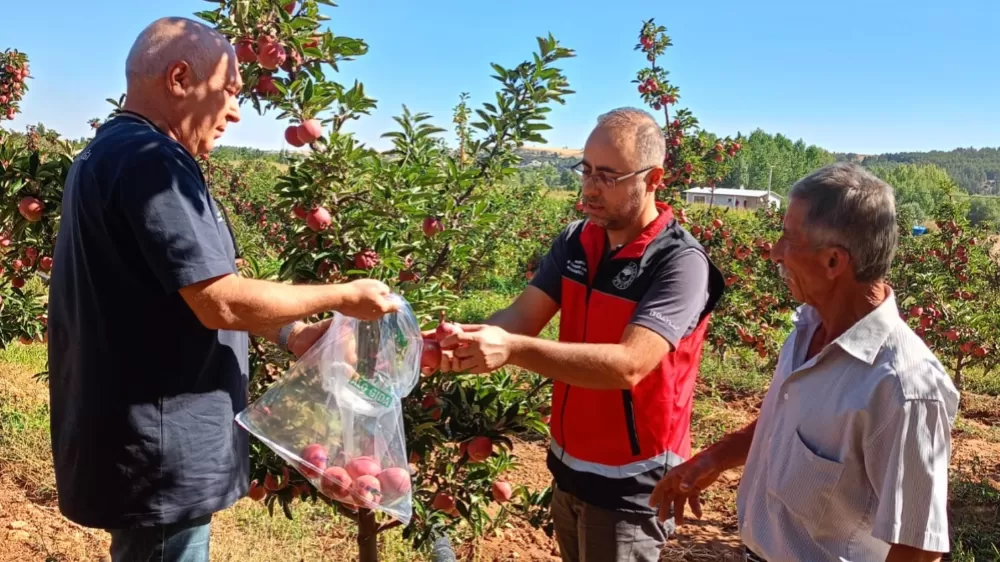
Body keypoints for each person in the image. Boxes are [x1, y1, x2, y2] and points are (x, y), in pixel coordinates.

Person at [46, 17, 398, 562]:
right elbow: (221, 300)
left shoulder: (108, 152)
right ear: (180, 77)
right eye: (230, 92)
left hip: (138, 438)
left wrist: (294, 333)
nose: (236, 111)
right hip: (161, 448)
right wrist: (341, 294)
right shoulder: (153, 164)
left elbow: (180, 291)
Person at [435, 107, 726, 562]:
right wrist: (463, 339)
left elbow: (629, 365)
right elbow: (523, 316)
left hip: (631, 485)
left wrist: (510, 350)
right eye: (586, 170)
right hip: (569, 466)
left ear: (653, 179)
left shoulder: (679, 263)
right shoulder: (577, 240)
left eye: (608, 176)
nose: (590, 187)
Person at [648, 162, 960, 562]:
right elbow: (792, 422)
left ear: (833, 262)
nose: (775, 251)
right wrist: (715, 459)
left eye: (788, 238)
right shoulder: (809, 327)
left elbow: (916, 549)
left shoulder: (904, 388)